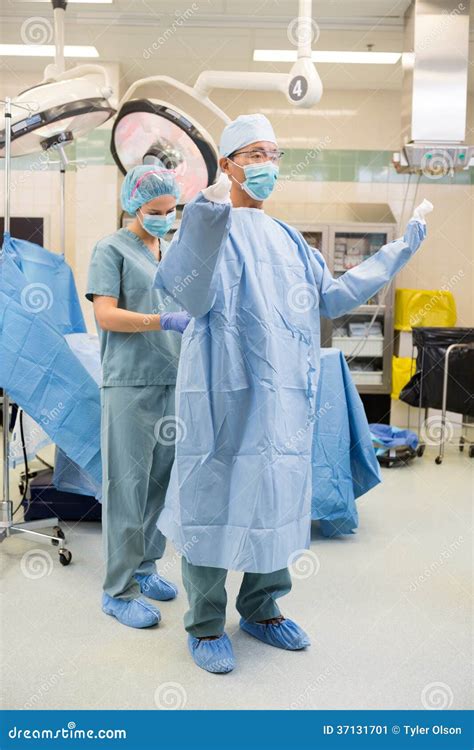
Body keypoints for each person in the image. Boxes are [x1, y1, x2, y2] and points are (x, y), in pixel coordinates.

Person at [152, 114, 433, 672]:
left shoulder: (287, 240)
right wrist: (206, 217)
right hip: (220, 395)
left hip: (280, 398)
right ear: (229, 164)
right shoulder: (206, 226)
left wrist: (396, 253)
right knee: (211, 497)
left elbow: (331, 297)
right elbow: (188, 289)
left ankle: (262, 608)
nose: (267, 166)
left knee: (274, 498)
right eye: (255, 154)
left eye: (274, 155)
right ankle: (206, 624)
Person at [86, 165, 190, 629]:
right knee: (126, 490)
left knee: (158, 487)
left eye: (171, 212)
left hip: (171, 381)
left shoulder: (167, 252)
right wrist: (161, 322)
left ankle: (146, 569)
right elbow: (105, 315)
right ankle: (118, 589)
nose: (164, 219)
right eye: (155, 211)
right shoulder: (110, 249)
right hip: (129, 382)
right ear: (133, 205)